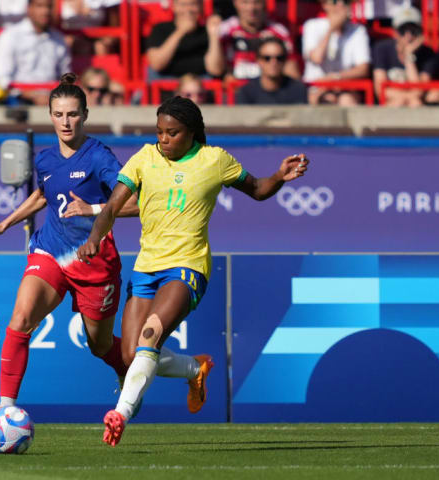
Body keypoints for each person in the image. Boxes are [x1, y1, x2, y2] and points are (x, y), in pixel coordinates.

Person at [77, 96, 309, 446]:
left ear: (192, 133)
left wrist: (279, 176)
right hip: (146, 267)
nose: (164, 139)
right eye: (159, 132)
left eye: (172, 133)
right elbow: (112, 207)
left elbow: (258, 189)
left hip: (188, 267)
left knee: (150, 336)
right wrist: (95, 236)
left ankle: (119, 414)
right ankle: (193, 368)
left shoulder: (214, 160)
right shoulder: (145, 157)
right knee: (129, 355)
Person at [0, 73, 138, 419]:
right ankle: (5, 410)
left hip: (93, 261)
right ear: (50, 115)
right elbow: (42, 194)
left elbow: (137, 202)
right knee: (20, 318)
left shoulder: (99, 157)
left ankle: (127, 369)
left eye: (73, 114)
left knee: (101, 345)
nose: (66, 122)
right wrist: (5, 223)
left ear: (85, 115)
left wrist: (93, 209)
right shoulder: (46, 160)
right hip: (50, 250)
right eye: (59, 114)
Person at [0, 0, 71, 105]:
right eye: (40, 6)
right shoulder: (10, 36)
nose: (45, 11)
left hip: (53, 101)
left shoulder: (58, 39)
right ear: (29, 8)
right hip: (18, 102)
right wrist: (31, 95)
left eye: (49, 6)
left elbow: (65, 76)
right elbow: (3, 79)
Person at [302, 0, 371, 105]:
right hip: (316, 88)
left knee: (347, 101)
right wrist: (331, 29)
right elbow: (317, 58)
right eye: (335, 1)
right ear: (325, 5)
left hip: (344, 88)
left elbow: (363, 69)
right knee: (326, 100)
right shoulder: (312, 25)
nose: (340, 5)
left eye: (345, 1)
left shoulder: (358, 30)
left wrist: (335, 77)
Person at [373, 6, 437, 107]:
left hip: (412, 102)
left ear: (420, 32)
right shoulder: (382, 49)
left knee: (416, 103)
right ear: (395, 32)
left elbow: (419, 91)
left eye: (413, 30)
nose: (409, 36)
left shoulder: (428, 53)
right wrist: (405, 97)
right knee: (399, 103)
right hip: (394, 103)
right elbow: (380, 91)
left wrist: (409, 57)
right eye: (403, 30)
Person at [219, 0, 299, 81]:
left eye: (256, 2)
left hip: (268, 90)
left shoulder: (279, 32)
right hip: (233, 89)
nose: (251, 8)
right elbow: (215, 70)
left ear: (264, 3)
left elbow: (292, 75)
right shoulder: (224, 30)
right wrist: (213, 38)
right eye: (245, 2)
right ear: (235, 3)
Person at [145, 0, 224, 78]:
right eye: (183, 5)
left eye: (193, 4)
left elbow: (216, 70)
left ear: (200, 6)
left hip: (201, 85)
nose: (188, 9)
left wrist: (213, 35)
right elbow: (156, 64)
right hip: (165, 84)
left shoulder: (207, 31)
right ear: (173, 6)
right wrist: (180, 31)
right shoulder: (160, 29)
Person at [236, 37, 307, 104]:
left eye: (279, 58)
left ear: (285, 60)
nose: (273, 62)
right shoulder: (246, 92)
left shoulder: (298, 89)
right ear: (258, 60)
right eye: (267, 58)